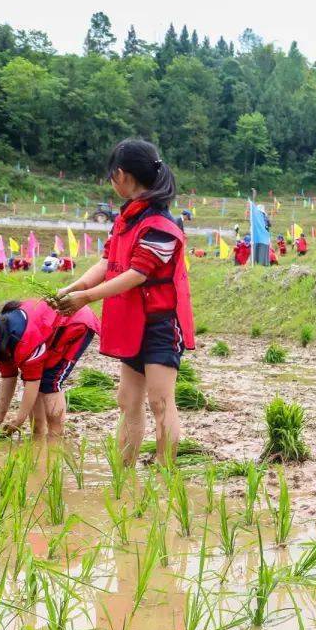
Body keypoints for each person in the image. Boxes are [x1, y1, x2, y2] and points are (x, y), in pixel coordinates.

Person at [54, 138, 195, 468]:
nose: (111, 182)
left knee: (161, 402)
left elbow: (138, 273)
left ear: (121, 175)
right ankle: (123, 473)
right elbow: (108, 261)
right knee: (127, 399)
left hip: (160, 324)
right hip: (133, 321)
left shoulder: (162, 225)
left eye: (111, 176)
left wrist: (85, 298)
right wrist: (73, 287)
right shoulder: (126, 220)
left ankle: (165, 475)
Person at [0, 299, 100, 457]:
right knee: (33, 378)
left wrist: (19, 420)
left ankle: (55, 440)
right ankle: (38, 436)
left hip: (74, 322)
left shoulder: (22, 340)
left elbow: (33, 384)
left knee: (50, 381)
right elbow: (8, 377)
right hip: (47, 330)